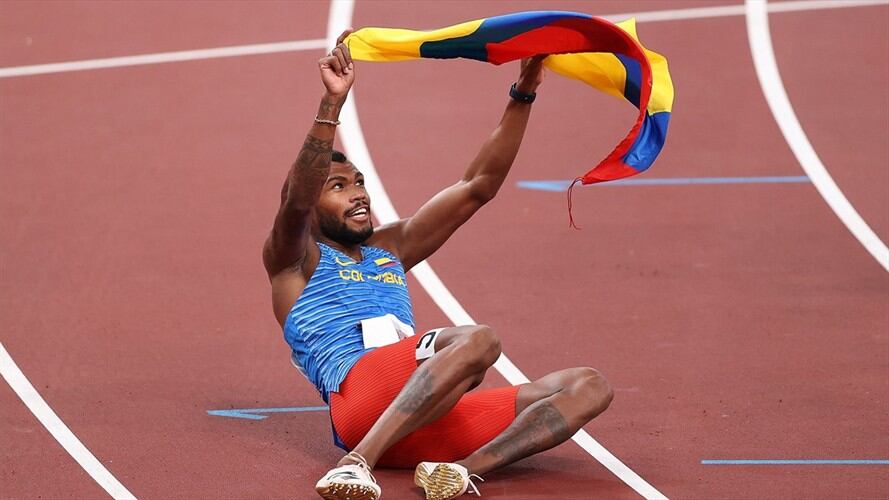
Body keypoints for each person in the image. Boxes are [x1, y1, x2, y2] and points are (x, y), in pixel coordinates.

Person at [262, 29, 614, 500]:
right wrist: (332, 104)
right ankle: (355, 464)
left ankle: (458, 473)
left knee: (588, 386)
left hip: (416, 417)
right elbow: (297, 200)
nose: (360, 193)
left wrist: (525, 89)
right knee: (478, 340)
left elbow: (477, 186)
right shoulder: (295, 259)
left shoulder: (390, 249)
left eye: (360, 182)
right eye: (340, 186)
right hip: (359, 398)